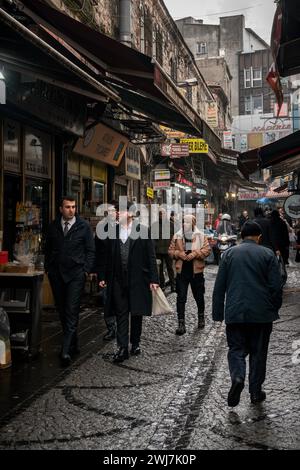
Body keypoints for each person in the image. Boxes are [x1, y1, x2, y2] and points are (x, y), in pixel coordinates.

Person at [212, 221, 282, 407]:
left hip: (235, 312)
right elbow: (276, 287)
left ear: (241, 236)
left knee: (236, 349)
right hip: (261, 314)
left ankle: (237, 377)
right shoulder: (267, 254)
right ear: (259, 237)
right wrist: (274, 308)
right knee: (258, 353)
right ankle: (255, 392)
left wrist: (218, 314)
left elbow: (219, 287)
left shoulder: (228, 254)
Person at [98, 201, 159, 363]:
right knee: (121, 313)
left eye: (122, 211)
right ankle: (122, 347)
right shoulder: (113, 232)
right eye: (118, 211)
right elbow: (106, 256)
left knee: (136, 312)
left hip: (138, 279)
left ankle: (135, 343)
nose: (119, 213)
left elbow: (151, 257)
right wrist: (103, 276)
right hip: (117, 279)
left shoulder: (143, 231)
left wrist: (154, 279)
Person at [45, 196, 95, 366]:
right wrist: (48, 268)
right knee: (61, 310)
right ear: (61, 208)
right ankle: (73, 343)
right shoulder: (53, 226)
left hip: (76, 275)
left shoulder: (83, 226)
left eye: (73, 207)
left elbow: (90, 250)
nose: (71, 210)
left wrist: (85, 270)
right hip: (57, 275)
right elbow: (48, 249)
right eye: (67, 207)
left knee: (71, 310)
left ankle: (65, 350)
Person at [168, 214, 211, 334]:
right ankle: (181, 323)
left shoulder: (201, 235)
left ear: (193, 223)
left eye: (187, 222)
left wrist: (195, 254)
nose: (184, 224)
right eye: (183, 222)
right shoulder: (177, 235)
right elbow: (170, 251)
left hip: (196, 272)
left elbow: (207, 250)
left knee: (199, 296)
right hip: (182, 272)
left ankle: (201, 317)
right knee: (181, 298)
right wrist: (178, 254)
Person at [95, 200, 118, 341]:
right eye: (108, 212)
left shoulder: (124, 228)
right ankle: (111, 328)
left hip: (121, 272)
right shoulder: (101, 229)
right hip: (106, 272)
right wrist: (99, 274)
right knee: (107, 300)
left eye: (113, 211)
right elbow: (98, 252)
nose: (111, 214)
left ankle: (120, 327)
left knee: (120, 301)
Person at [152, 209, 175, 292]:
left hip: (168, 250)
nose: (162, 215)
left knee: (170, 268)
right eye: (160, 214)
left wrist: (173, 248)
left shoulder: (172, 225)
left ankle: (173, 285)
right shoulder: (154, 225)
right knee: (160, 270)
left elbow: (175, 237)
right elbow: (152, 238)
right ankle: (162, 285)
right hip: (158, 251)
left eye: (164, 213)